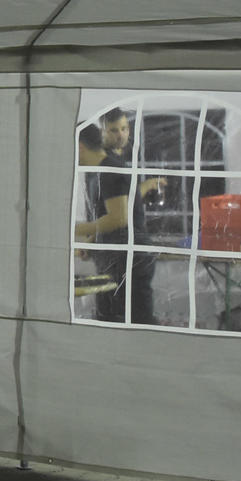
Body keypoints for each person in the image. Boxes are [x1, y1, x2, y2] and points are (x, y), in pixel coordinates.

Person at [82, 108, 163, 324]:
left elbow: (120, 210)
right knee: (116, 316)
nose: (121, 135)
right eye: (114, 130)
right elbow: (109, 211)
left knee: (130, 318)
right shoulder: (102, 165)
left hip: (127, 252)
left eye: (125, 129)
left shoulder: (114, 165)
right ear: (102, 132)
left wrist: (85, 234)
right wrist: (91, 237)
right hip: (116, 252)